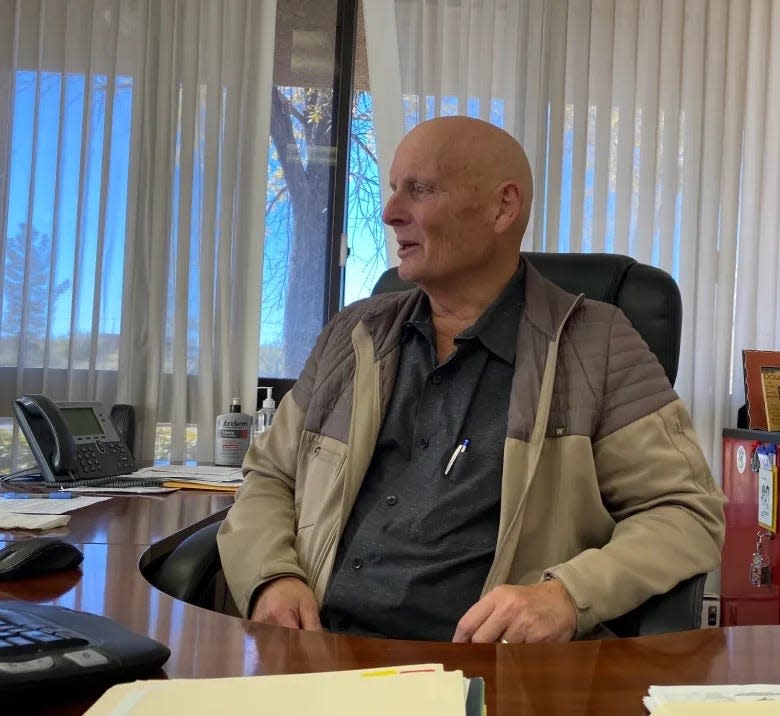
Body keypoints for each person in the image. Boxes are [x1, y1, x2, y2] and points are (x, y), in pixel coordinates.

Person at [217, 116, 725, 643]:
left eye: (419, 190)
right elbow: (269, 478)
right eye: (394, 189)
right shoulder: (353, 335)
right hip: (320, 654)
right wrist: (271, 577)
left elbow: (686, 513)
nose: (390, 213)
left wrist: (568, 595)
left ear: (503, 206)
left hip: (488, 672)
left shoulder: (595, 346)